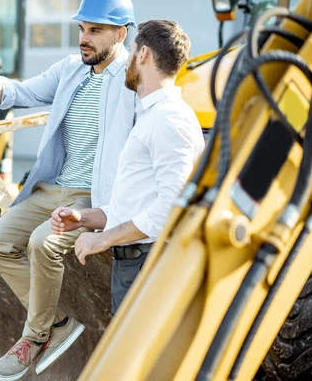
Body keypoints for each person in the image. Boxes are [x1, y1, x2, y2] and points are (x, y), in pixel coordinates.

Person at [0, 0, 136, 380]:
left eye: (95, 30)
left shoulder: (133, 79)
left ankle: (34, 337)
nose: (84, 38)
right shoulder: (70, 69)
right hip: (53, 188)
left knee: (41, 243)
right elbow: (18, 93)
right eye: (82, 28)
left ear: (120, 34)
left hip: (94, 195)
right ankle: (57, 325)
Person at [51, 19, 205, 315]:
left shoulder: (168, 120)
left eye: (131, 50)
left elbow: (172, 209)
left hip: (149, 268)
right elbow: (137, 207)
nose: (126, 60)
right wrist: (83, 218)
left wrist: (103, 239)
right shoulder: (151, 116)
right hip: (136, 266)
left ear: (144, 54)